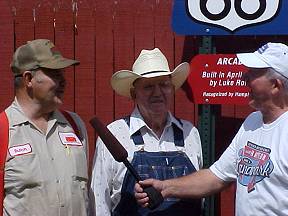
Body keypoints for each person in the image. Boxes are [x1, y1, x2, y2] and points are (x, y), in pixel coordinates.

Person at [135, 42, 288, 216]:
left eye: (253, 73)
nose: (244, 78)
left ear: (276, 85)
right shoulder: (252, 122)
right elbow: (217, 176)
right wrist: (165, 188)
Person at [90, 48, 203, 215]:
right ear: (134, 93)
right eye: (148, 86)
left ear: (172, 88)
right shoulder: (114, 135)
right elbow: (99, 203)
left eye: (164, 85)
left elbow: (200, 197)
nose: (157, 93)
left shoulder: (189, 133)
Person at [2, 39, 89, 215]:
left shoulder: (75, 125)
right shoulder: (4, 130)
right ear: (28, 79)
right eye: (55, 74)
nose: (64, 81)